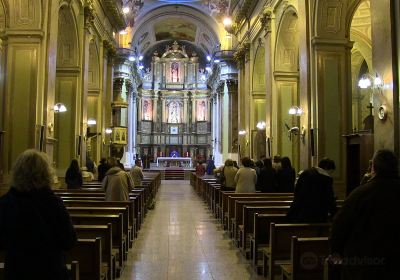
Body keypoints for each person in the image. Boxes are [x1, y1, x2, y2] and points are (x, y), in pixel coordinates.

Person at [0, 149, 77, 279]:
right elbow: (69, 241)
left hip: (17, 272)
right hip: (51, 271)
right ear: (46, 174)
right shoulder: (54, 204)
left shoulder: (5, 203)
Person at [329, 149, 400, 280]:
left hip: (364, 264)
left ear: (374, 168)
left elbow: (339, 226)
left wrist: (336, 252)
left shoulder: (360, 194)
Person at [286, 157, 337, 223]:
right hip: (315, 216)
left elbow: (296, 191)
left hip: (299, 212)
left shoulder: (305, 172)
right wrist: (334, 214)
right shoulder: (326, 179)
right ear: (327, 168)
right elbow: (329, 199)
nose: (331, 174)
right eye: (331, 171)